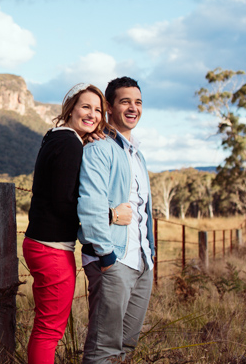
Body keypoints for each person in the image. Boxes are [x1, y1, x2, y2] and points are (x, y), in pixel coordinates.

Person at [23, 83, 132, 364]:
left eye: (98, 110)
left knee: (45, 327)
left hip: (40, 244)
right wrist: (110, 214)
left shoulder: (56, 138)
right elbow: (65, 201)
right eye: (86, 107)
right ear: (71, 109)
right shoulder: (70, 143)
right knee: (49, 330)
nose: (93, 114)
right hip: (51, 249)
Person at [77, 76, 155, 364]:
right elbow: (90, 204)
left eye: (138, 102)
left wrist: (151, 256)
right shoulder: (99, 149)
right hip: (113, 260)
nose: (133, 108)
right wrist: (106, 256)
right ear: (109, 107)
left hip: (141, 261)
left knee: (126, 345)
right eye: (125, 102)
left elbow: (143, 211)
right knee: (103, 349)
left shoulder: (138, 156)